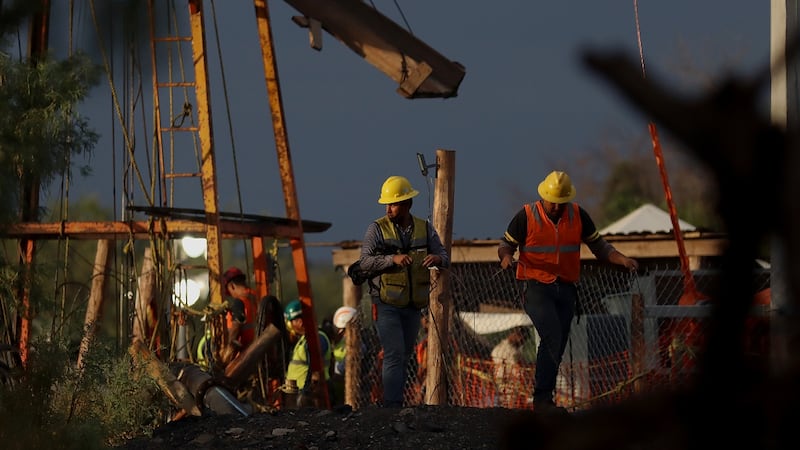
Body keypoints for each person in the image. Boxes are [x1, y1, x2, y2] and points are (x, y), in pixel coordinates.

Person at [498, 170, 638, 413]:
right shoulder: (527, 215)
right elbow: (505, 244)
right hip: (537, 287)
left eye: (560, 202)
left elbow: (599, 246)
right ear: (544, 196)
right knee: (551, 334)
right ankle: (541, 401)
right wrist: (506, 257)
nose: (556, 206)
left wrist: (622, 259)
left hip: (565, 288)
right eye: (552, 201)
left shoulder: (577, 214)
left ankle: (546, 398)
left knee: (559, 342)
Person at [356, 175, 450, 407]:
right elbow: (364, 262)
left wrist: (437, 257)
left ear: (408, 203)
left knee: (406, 353)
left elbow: (445, 257)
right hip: (386, 303)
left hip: (413, 305)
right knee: (394, 353)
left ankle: (396, 402)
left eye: (393, 203)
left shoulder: (424, 228)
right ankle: (392, 405)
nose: (388, 208)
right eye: (387, 204)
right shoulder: (376, 229)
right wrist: (392, 259)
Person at [283, 299, 333, 408]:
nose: (289, 326)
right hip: (300, 394)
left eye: (290, 322)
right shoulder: (304, 340)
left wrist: (307, 393)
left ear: (300, 322)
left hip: (311, 396)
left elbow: (316, 371)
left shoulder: (318, 338)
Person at [491, 326, 531, 408]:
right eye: (523, 339)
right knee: (509, 406)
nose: (523, 343)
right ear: (518, 336)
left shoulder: (499, 348)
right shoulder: (511, 352)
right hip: (509, 383)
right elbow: (518, 369)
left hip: (502, 383)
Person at [329, 305, 357, 406]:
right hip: (338, 390)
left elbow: (341, 371)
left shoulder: (357, 344)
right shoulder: (342, 342)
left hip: (345, 390)